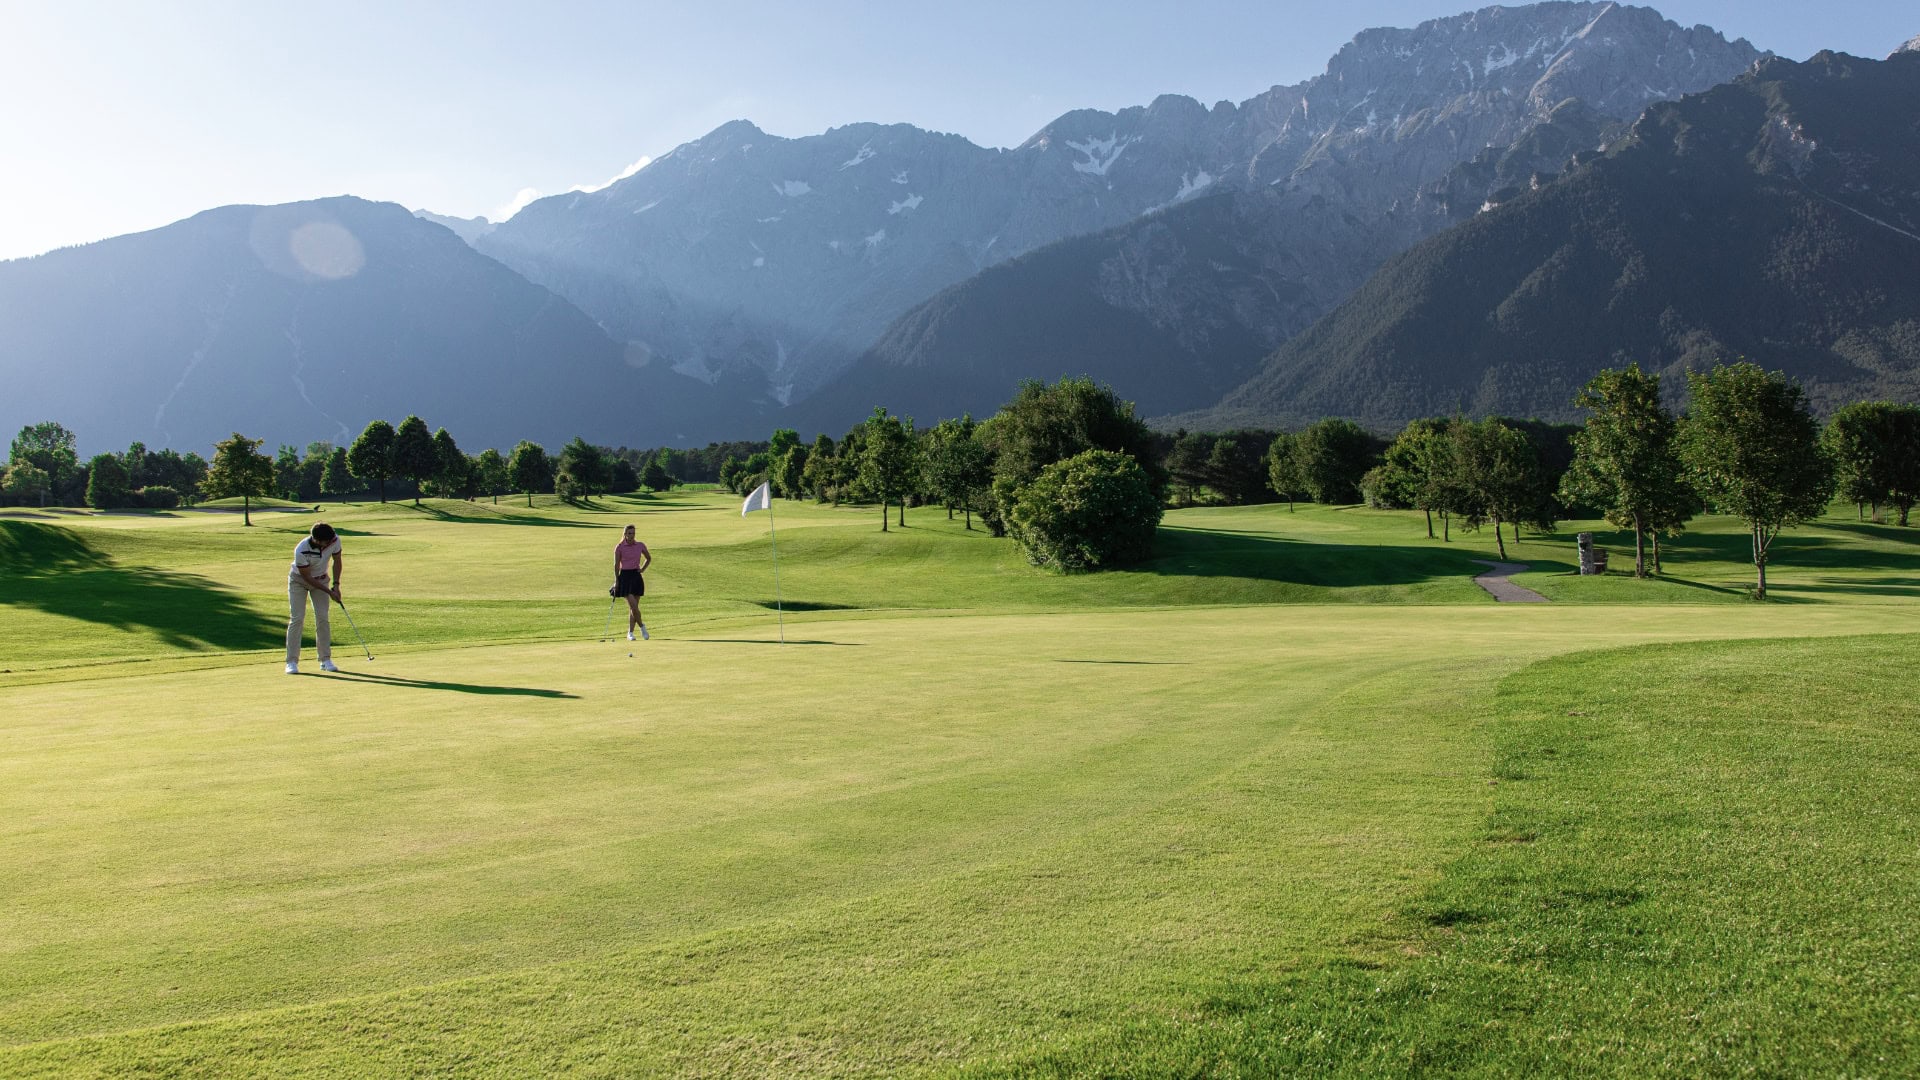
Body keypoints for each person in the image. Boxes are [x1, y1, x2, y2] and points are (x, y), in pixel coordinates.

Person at [287, 522, 343, 674]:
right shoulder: (301, 550)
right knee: (297, 618)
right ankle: (291, 661)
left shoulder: (334, 539)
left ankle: (325, 659)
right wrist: (329, 592)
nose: (331, 543)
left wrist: (336, 585)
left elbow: (337, 561)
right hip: (299, 581)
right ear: (317, 540)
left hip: (322, 579)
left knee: (323, 617)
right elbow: (307, 577)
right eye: (327, 542)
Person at [613, 524, 651, 640]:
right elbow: (616, 565)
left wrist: (642, 569)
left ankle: (630, 633)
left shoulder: (640, 545)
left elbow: (648, 558)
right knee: (633, 606)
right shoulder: (619, 547)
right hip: (624, 577)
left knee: (634, 608)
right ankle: (642, 627)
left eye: (633, 533)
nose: (631, 535)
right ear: (625, 534)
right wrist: (617, 580)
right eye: (629, 533)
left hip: (636, 577)